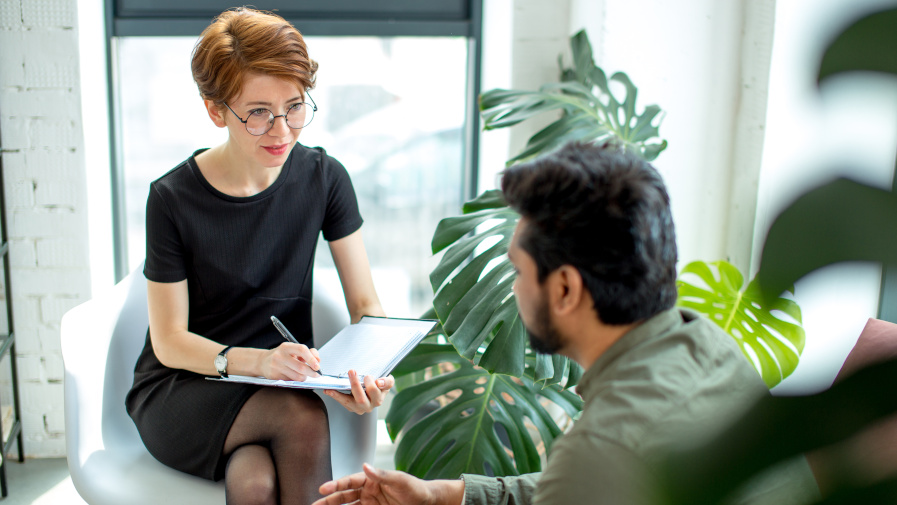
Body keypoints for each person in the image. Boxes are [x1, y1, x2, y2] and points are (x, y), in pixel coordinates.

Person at [312, 141, 820, 505]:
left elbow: (596, 474)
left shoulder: (605, 447)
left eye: (518, 271)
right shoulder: (707, 347)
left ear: (564, 289)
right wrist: (442, 496)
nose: (512, 288)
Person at [125, 7, 393, 505]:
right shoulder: (171, 198)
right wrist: (258, 362)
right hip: (186, 386)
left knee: (255, 483)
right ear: (215, 110)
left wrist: (370, 370)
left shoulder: (324, 178)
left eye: (294, 107)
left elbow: (365, 304)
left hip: (279, 386)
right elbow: (168, 342)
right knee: (301, 418)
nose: (282, 131)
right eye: (258, 113)